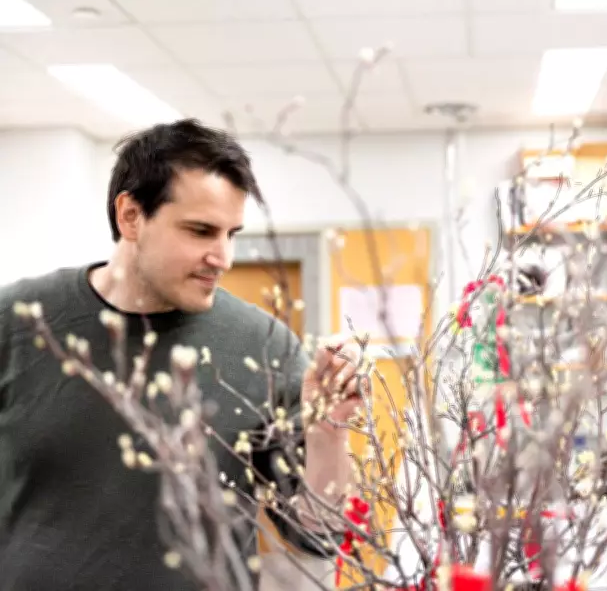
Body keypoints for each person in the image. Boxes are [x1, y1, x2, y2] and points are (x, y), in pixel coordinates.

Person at [0, 119, 364, 590]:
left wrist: (327, 433)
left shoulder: (264, 346)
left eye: (231, 233)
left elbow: (320, 535)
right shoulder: (18, 322)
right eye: (200, 231)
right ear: (130, 215)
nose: (224, 257)